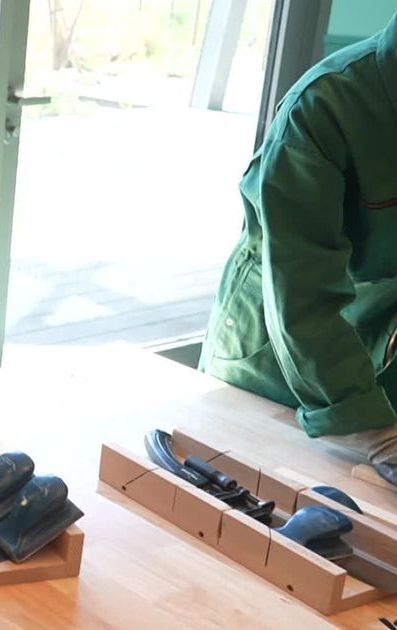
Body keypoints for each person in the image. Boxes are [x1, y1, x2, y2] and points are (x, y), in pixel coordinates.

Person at [200, 14, 397, 486]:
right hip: (274, 352)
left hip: (374, 344)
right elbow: (300, 293)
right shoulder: (324, 106)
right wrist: (377, 433)